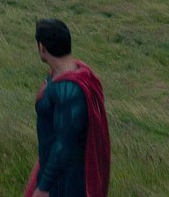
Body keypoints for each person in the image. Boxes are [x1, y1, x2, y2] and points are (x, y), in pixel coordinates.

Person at [24, 18, 110, 197]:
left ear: (42, 47)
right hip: (57, 174)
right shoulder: (65, 76)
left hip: (65, 183)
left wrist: (43, 187)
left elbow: (64, 144)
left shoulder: (68, 90)